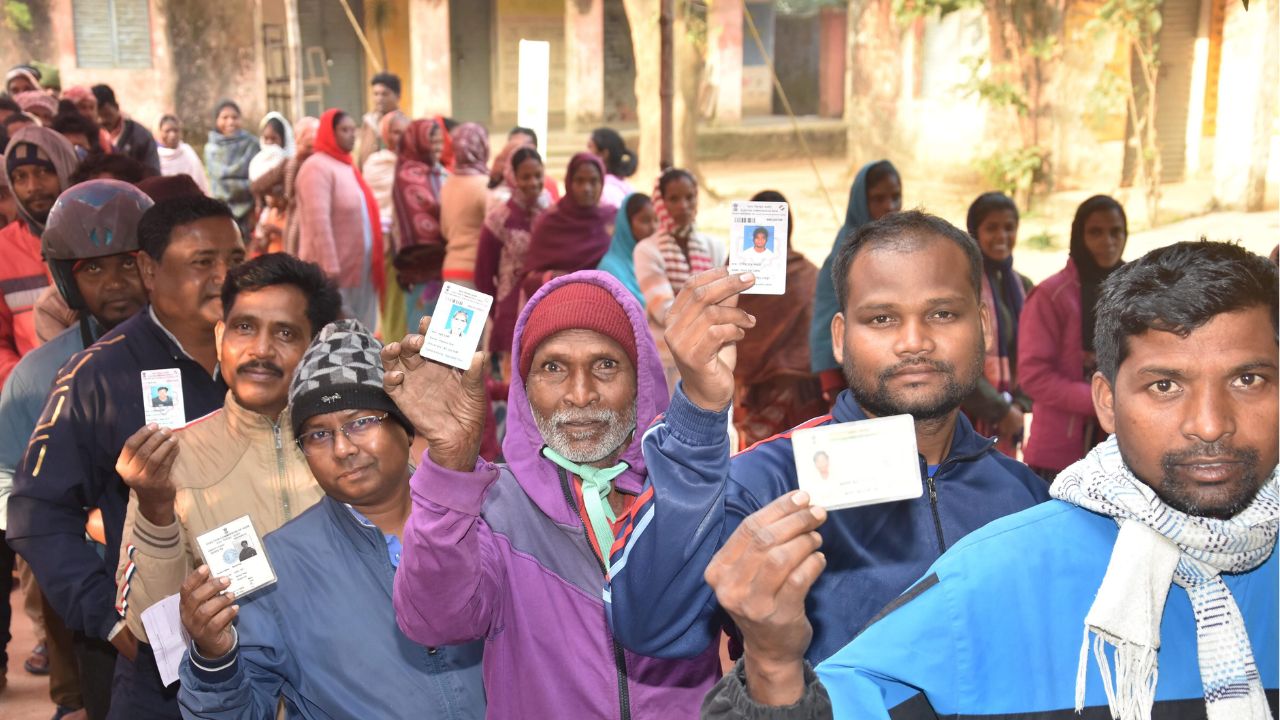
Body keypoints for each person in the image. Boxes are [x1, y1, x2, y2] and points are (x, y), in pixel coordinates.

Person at [704, 241, 1279, 720]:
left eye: (1249, 379)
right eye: (1165, 386)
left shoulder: (1016, 491)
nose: (1210, 424)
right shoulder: (992, 572)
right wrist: (775, 663)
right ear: (1105, 401)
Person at [606, 211, 1049, 666]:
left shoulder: (1028, 500)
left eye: (942, 313)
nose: (914, 341)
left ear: (984, 325)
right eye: (881, 318)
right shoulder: (766, 484)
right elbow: (650, 623)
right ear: (839, 338)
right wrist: (698, 413)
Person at [388, 270, 720, 717]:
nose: (580, 395)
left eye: (605, 364)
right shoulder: (493, 507)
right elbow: (433, 618)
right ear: (524, 389)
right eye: (553, 368)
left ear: (641, 380)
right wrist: (450, 466)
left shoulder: (688, 493)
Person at [175, 319, 485, 719]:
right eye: (318, 434)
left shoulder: (482, 516)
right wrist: (213, 660)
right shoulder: (276, 569)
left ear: (406, 427)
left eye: (360, 422)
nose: (342, 448)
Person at [7, 195, 244, 719]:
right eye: (203, 261)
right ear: (150, 270)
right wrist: (111, 622)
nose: (225, 276)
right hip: (162, 670)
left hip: (273, 649)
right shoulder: (97, 375)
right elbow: (35, 513)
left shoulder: (268, 362)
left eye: (237, 259)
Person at [114, 253, 340, 648]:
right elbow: (149, 628)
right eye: (244, 328)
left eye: (285, 333)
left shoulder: (356, 444)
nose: (261, 350)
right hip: (242, 698)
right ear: (220, 338)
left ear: (316, 346)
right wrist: (155, 512)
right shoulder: (172, 459)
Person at [0, 179, 151, 719]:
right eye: (92, 269)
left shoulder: (203, 353)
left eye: (128, 263)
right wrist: (73, 526)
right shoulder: (38, 376)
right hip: (92, 600)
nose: (115, 283)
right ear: (66, 278)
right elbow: (6, 482)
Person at [1019, 195, 1128, 482]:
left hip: (1122, 450)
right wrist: (1100, 399)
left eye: (1116, 232)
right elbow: (1033, 375)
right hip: (1060, 453)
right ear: (1078, 235)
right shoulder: (1050, 295)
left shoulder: (1134, 292)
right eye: (1095, 232)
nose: (1108, 241)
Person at [732, 190, 825, 447]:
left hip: (784, 394)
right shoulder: (809, 274)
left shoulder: (735, 277)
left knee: (760, 463)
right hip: (794, 396)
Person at [809, 160, 902, 402]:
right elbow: (825, 318)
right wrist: (830, 384)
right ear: (861, 201)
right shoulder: (847, 250)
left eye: (895, 197)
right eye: (878, 199)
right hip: (853, 379)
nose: (890, 207)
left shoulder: (906, 247)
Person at [634, 167, 727, 392]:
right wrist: (709, 308)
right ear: (660, 203)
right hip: (665, 359)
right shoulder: (647, 250)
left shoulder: (714, 246)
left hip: (708, 355)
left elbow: (724, 301)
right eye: (674, 199)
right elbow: (666, 312)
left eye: (689, 197)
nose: (683, 205)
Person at [0, 126, 80, 387]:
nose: (32, 186)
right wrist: (24, 382)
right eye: (20, 177)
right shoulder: (3, 248)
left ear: (65, 168)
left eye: (44, 172)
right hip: (31, 398)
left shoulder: (96, 238)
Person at [961, 191, 1034, 457]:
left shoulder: (1023, 286)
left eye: (1009, 227)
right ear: (974, 231)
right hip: (971, 415)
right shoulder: (962, 286)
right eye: (992, 228)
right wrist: (1000, 410)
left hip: (1012, 414)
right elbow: (958, 360)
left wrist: (1020, 405)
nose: (1002, 236)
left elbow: (1035, 351)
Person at [296, 108, 384, 331]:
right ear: (330, 132)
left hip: (359, 272)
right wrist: (330, 272)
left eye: (353, 129)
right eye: (344, 130)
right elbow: (319, 222)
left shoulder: (346, 166)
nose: (352, 135)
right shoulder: (316, 167)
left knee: (361, 336)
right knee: (337, 337)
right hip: (333, 277)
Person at [474, 146, 550, 363]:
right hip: (511, 314)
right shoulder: (498, 219)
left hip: (548, 308)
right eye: (525, 176)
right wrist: (499, 311)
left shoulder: (553, 214)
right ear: (513, 178)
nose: (533, 182)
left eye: (537, 175)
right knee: (513, 385)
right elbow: (483, 275)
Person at [390, 118, 448, 333]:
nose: (437, 147)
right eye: (431, 141)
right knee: (422, 333)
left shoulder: (439, 172)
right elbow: (418, 219)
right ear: (417, 142)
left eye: (439, 141)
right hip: (420, 266)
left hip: (445, 266)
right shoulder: (407, 175)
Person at [362, 110, 408, 338]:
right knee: (391, 302)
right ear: (385, 134)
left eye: (404, 132)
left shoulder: (413, 163)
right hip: (384, 241)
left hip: (411, 246)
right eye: (395, 132)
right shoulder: (375, 163)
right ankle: (393, 349)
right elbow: (374, 202)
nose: (400, 137)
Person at [438, 123, 489, 289]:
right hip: (475, 270)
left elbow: (445, 230)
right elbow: (492, 232)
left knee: (456, 316)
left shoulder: (447, 183)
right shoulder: (484, 185)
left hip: (450, 267)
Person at [203, 100, 260, 239]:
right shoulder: (211, 149)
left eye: (235, 117)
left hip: (249, 213)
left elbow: (259, 179)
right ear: (216, 120)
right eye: (225, 117)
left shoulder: (252, 144)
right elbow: (217, 183)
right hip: (220, 213)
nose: (230, 122)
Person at [595, 192, 653, 306]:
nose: (653, 227)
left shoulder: (656, 261)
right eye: (645, 220)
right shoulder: (609, 269)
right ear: (626, 225)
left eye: (657, 220)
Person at [90, 85, 160, 174]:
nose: (102, 121)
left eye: (107, 115)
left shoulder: (141, 137)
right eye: (97, 116)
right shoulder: (89, 138)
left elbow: (153, 173)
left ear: (116, 107)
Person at [281, 116, 318, 256]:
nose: (311, 151)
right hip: (297, 211)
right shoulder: (294, 162)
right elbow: (289, 191)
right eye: (308, 146)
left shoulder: (319, 164)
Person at [354, 72, 402, 171]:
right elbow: (361, 156)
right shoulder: (369, 121)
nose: (379, 99)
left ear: (397, 96)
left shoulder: (403, 124)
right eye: (376, 94)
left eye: (385, 94)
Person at [154, 114, 211, 195]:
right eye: (167, 131)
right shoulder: (154, 156)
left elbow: (199, 180)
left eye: (175, 130)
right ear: (159, 132)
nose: (172, 135)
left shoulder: (187, 151)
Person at [588, 127, 637, 209]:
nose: (586, 153)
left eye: (590, 147)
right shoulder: (621, 183)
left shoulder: (608, 189)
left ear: (604, 154)